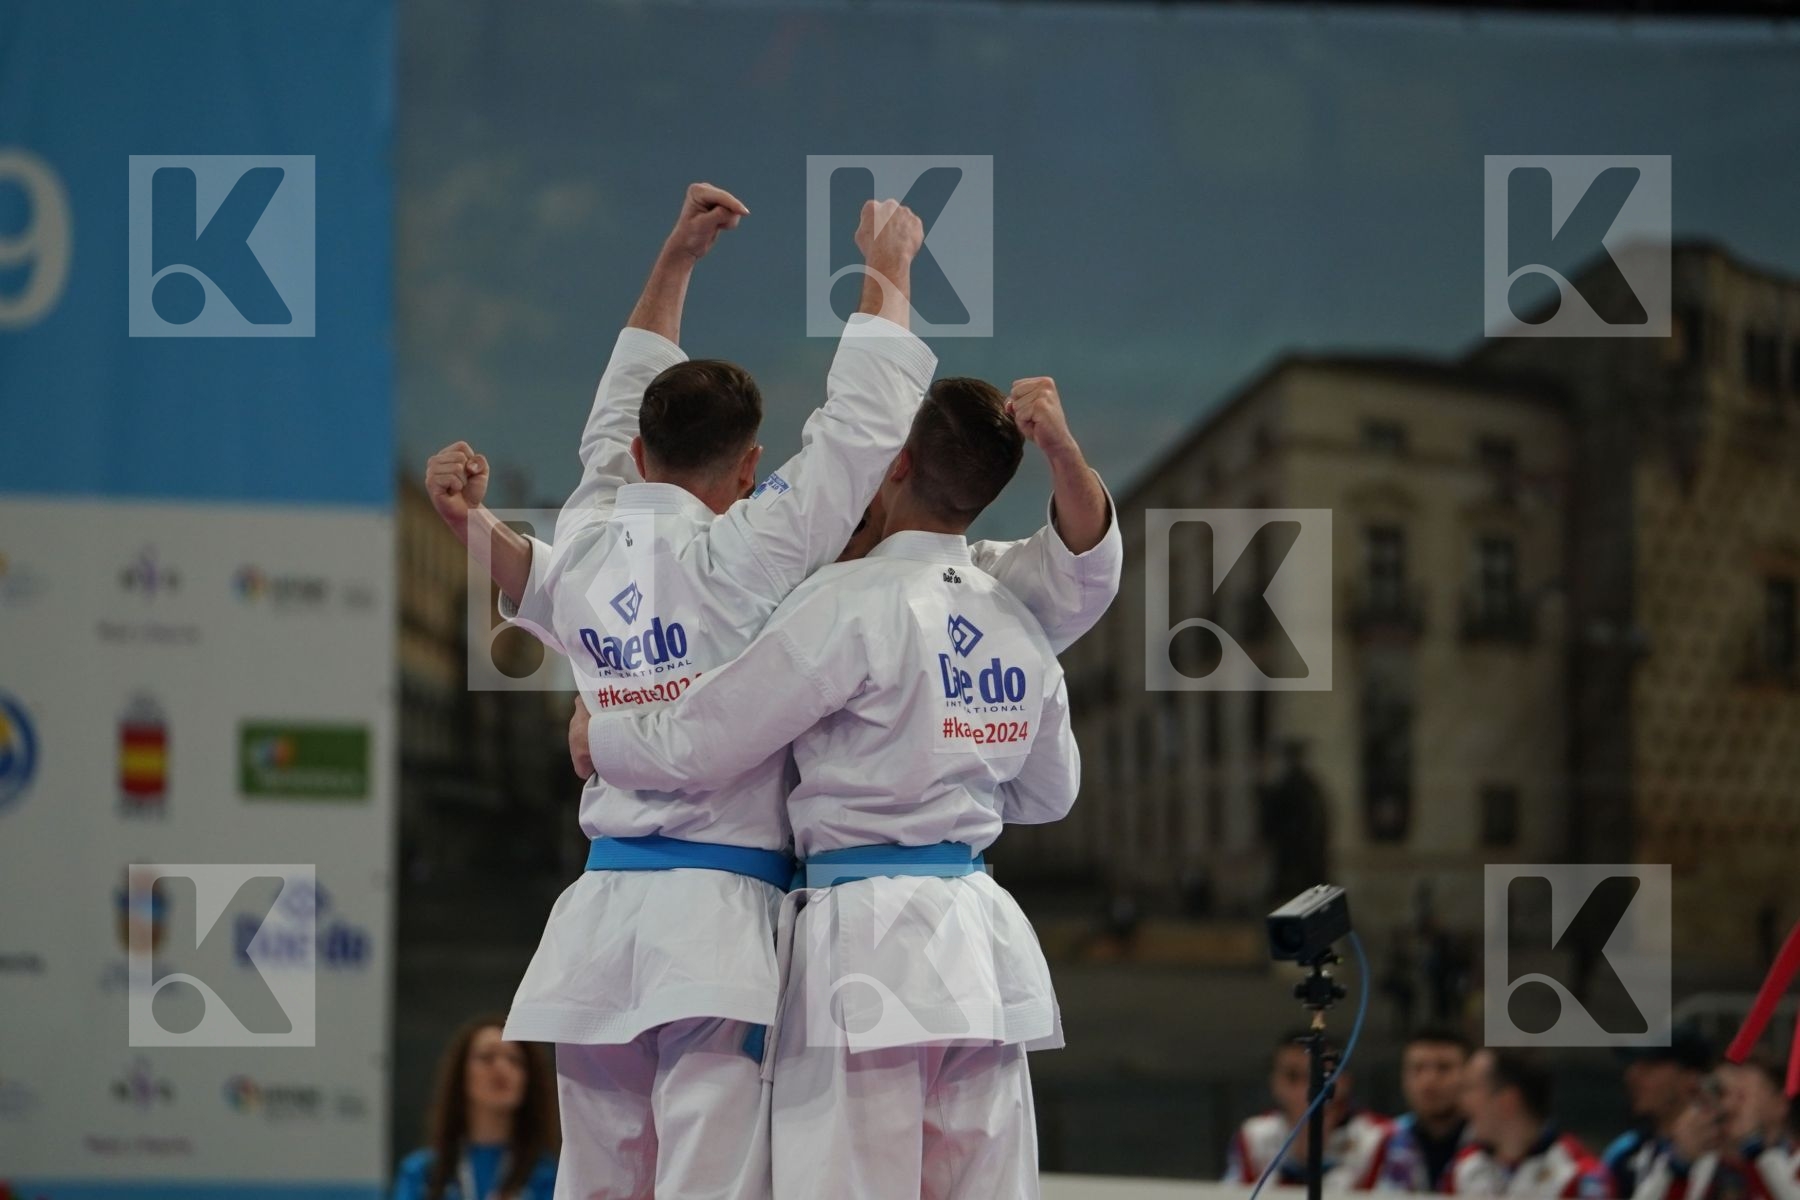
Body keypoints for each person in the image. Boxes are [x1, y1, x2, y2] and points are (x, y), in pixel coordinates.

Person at [428, 184, 1119, 1200]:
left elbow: (615, 427)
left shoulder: (595, 537)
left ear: (637, 455)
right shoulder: (783, 561)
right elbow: (865, 432)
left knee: (599, 1183)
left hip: (624, 925)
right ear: (751, 467)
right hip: (816, 935)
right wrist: (887, 271)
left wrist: (675, 260)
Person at [581, 376, 1102, 1198]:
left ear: (895, 463)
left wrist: (600, 735)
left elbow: (707, 738)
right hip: (981, 943)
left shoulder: (842, 603)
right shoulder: (1016, 617)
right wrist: (948, 779)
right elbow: (1053, 792)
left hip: (867, 945)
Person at [391, 1015, 558, 1200]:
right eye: (487, 1057)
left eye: (515, 1060)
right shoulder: (421, 1174)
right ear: (461, 1074)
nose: (502, 1067)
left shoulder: (549, 1176)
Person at [1224, 1030, 1392, 1190]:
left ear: (1344, 1081)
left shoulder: (1379, 1136)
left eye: (1319, 1075)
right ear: (1274, 1083)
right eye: (1293, 1076)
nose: (1306, 1088)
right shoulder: (1253, 1136)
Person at [1451, 1047, 1612, 1197]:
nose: (1462, 1103)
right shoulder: (1463, 1167)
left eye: (1470, 1089)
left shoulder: (1576, 1173)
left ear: (1508, 1100)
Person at [1605, 1027, 1715, 1196]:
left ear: (1690, 1078)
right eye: (1633, 1065)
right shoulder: (1624, 1153)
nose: (1632, 1076)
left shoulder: (1722, 1154)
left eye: (1649, 1066)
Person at [1370, 1026, 1474, 1192]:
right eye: (1417, 1068)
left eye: (1444, 1068)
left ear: (1470, 1075)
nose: (1429, 1081)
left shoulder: (1491, 1143)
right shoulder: (1382, 1141)